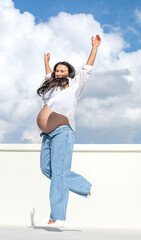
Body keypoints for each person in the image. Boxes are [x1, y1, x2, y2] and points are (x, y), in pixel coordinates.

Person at [36, 34, 101, 225]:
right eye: (57, 70)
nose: (58, 72)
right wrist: (47, 62)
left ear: (69, 73)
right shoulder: (50, 87)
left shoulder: (74, 86)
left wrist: (94, 47)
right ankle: (82, 186)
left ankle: (57, 216)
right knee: (47, 168)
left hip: (63, 132)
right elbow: (48, 74)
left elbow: (87, 69)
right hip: (47, 135)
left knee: (59, 172)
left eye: (62, 70)